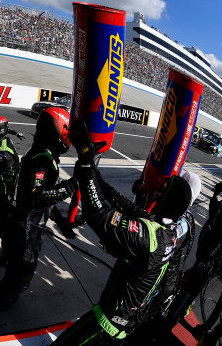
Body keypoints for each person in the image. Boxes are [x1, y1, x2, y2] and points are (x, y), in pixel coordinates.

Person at [51, 121, 193, 345]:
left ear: (168, 199)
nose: (156, 192)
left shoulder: (151, 237)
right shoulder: (167, 230)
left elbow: (99, 215)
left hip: (103, 329)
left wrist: (86, 162)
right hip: (117, 328)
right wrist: (93, 172)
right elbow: (120, 201)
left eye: (162, 190)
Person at [0, 107, 78, 325]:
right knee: (16, 281)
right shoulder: (42, 157)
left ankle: (2, 294)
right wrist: (71, 186)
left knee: (19, 276)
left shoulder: (45, 154)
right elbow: (37, 196)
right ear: (57, 130)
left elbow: (45, 199)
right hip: (24, 229)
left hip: (27, 226)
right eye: (66, 131)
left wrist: (61, 223)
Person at [123, 171, 200, 344]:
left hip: (163, 279)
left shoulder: (181, 222)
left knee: (139, 320)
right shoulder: (184, 216)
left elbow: (156, 236)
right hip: (164, 276)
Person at [156, 180, 222, 343]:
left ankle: (168, 324)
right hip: (203, 256)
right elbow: (213, 211)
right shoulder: (220, 209)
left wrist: (207, 260)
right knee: (186, 289)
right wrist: (214, 196)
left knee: (188, 293)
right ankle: (170, 318)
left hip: (208, 262)